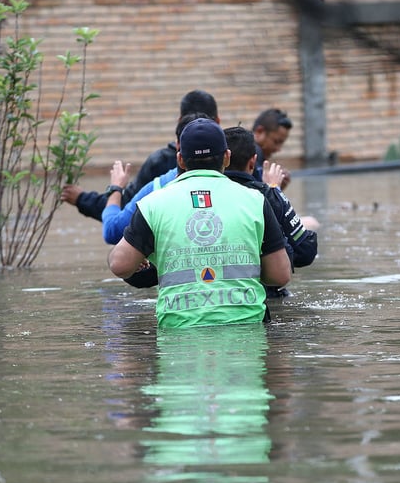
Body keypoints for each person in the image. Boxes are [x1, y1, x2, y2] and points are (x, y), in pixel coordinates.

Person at [107, 117, 291, 328]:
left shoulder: (152, 204)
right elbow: (280, 275)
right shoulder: (255, 201)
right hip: (246, 328)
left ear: (180, 160)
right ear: (227, 157)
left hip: (179, 331)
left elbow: (119, 265)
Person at [62, 90, 219, 221]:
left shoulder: (160, 170)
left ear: (180, 159)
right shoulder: (238, 176)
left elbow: (118, 221)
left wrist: (88, 196)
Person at [223, 126, 318, 297]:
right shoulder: (265, 195)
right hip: (261, 299)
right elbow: (305, 251)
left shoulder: (198, 196)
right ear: (253, 161)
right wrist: (275, 190)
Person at [252, 107, 293, 189]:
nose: (278, 149)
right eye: (276, 142)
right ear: (259, 131)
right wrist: (274, 188)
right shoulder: (254, 153)